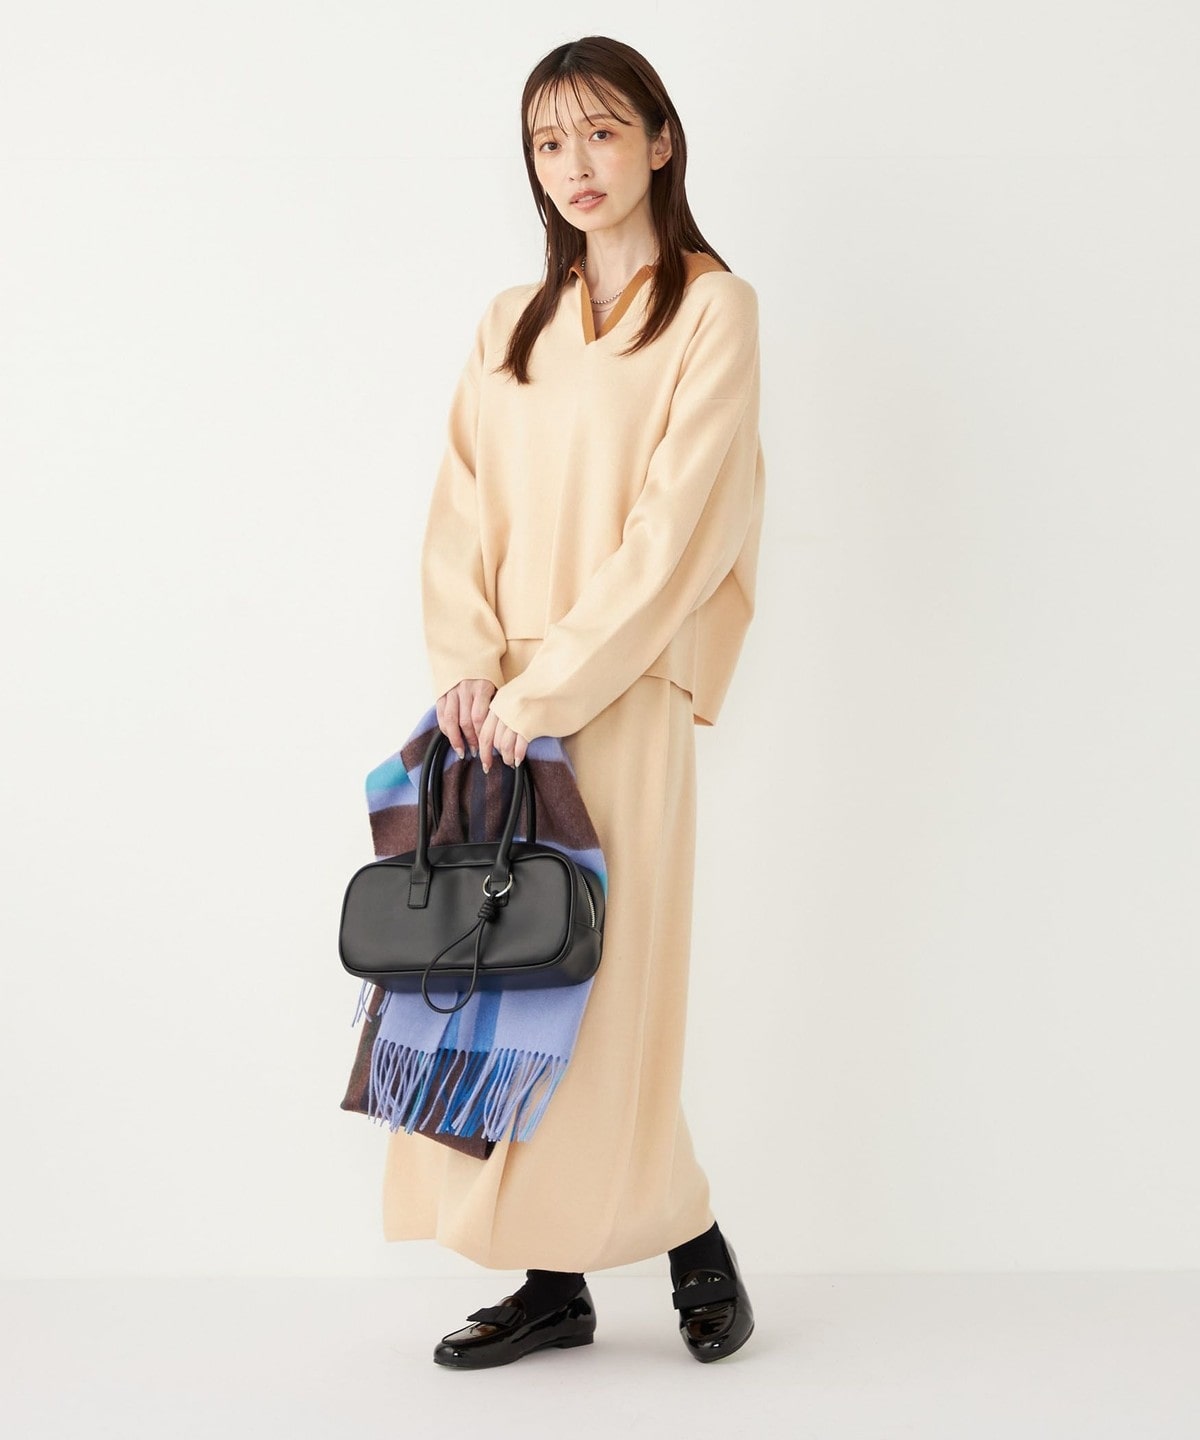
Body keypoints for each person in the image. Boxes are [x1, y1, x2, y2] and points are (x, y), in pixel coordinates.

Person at [384, 34, 766, 1367]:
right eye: (550, 143)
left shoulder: (711, 311)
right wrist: (469, 664)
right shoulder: (513, 320)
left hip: (621, 689)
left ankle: (691, 1235)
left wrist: (552, 686)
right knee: (509, 977)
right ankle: (554, 1284)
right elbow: (460, 508)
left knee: (609, 987)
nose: (576, 165)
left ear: (660, 140)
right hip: (495, 704)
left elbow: (677, 534)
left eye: (602, 132)